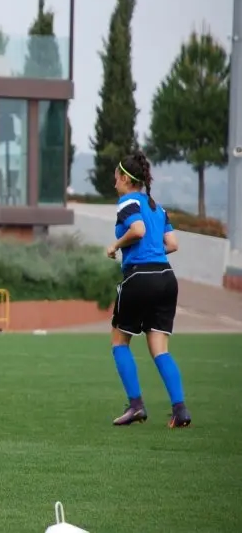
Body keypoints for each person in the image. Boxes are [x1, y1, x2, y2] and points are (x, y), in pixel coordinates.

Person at [107, 150, 191, 428]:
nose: (113, 181)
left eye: (116, 176)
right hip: (167, 278)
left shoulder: (126, 201)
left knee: (119, 342)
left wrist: (115, 246)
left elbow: (138, 230)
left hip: (140, 278)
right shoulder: (157, 206)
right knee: (160, 349)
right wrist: (152, 252)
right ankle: (180, 411)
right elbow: (173, 244)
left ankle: (136, 406)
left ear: (125, 178)